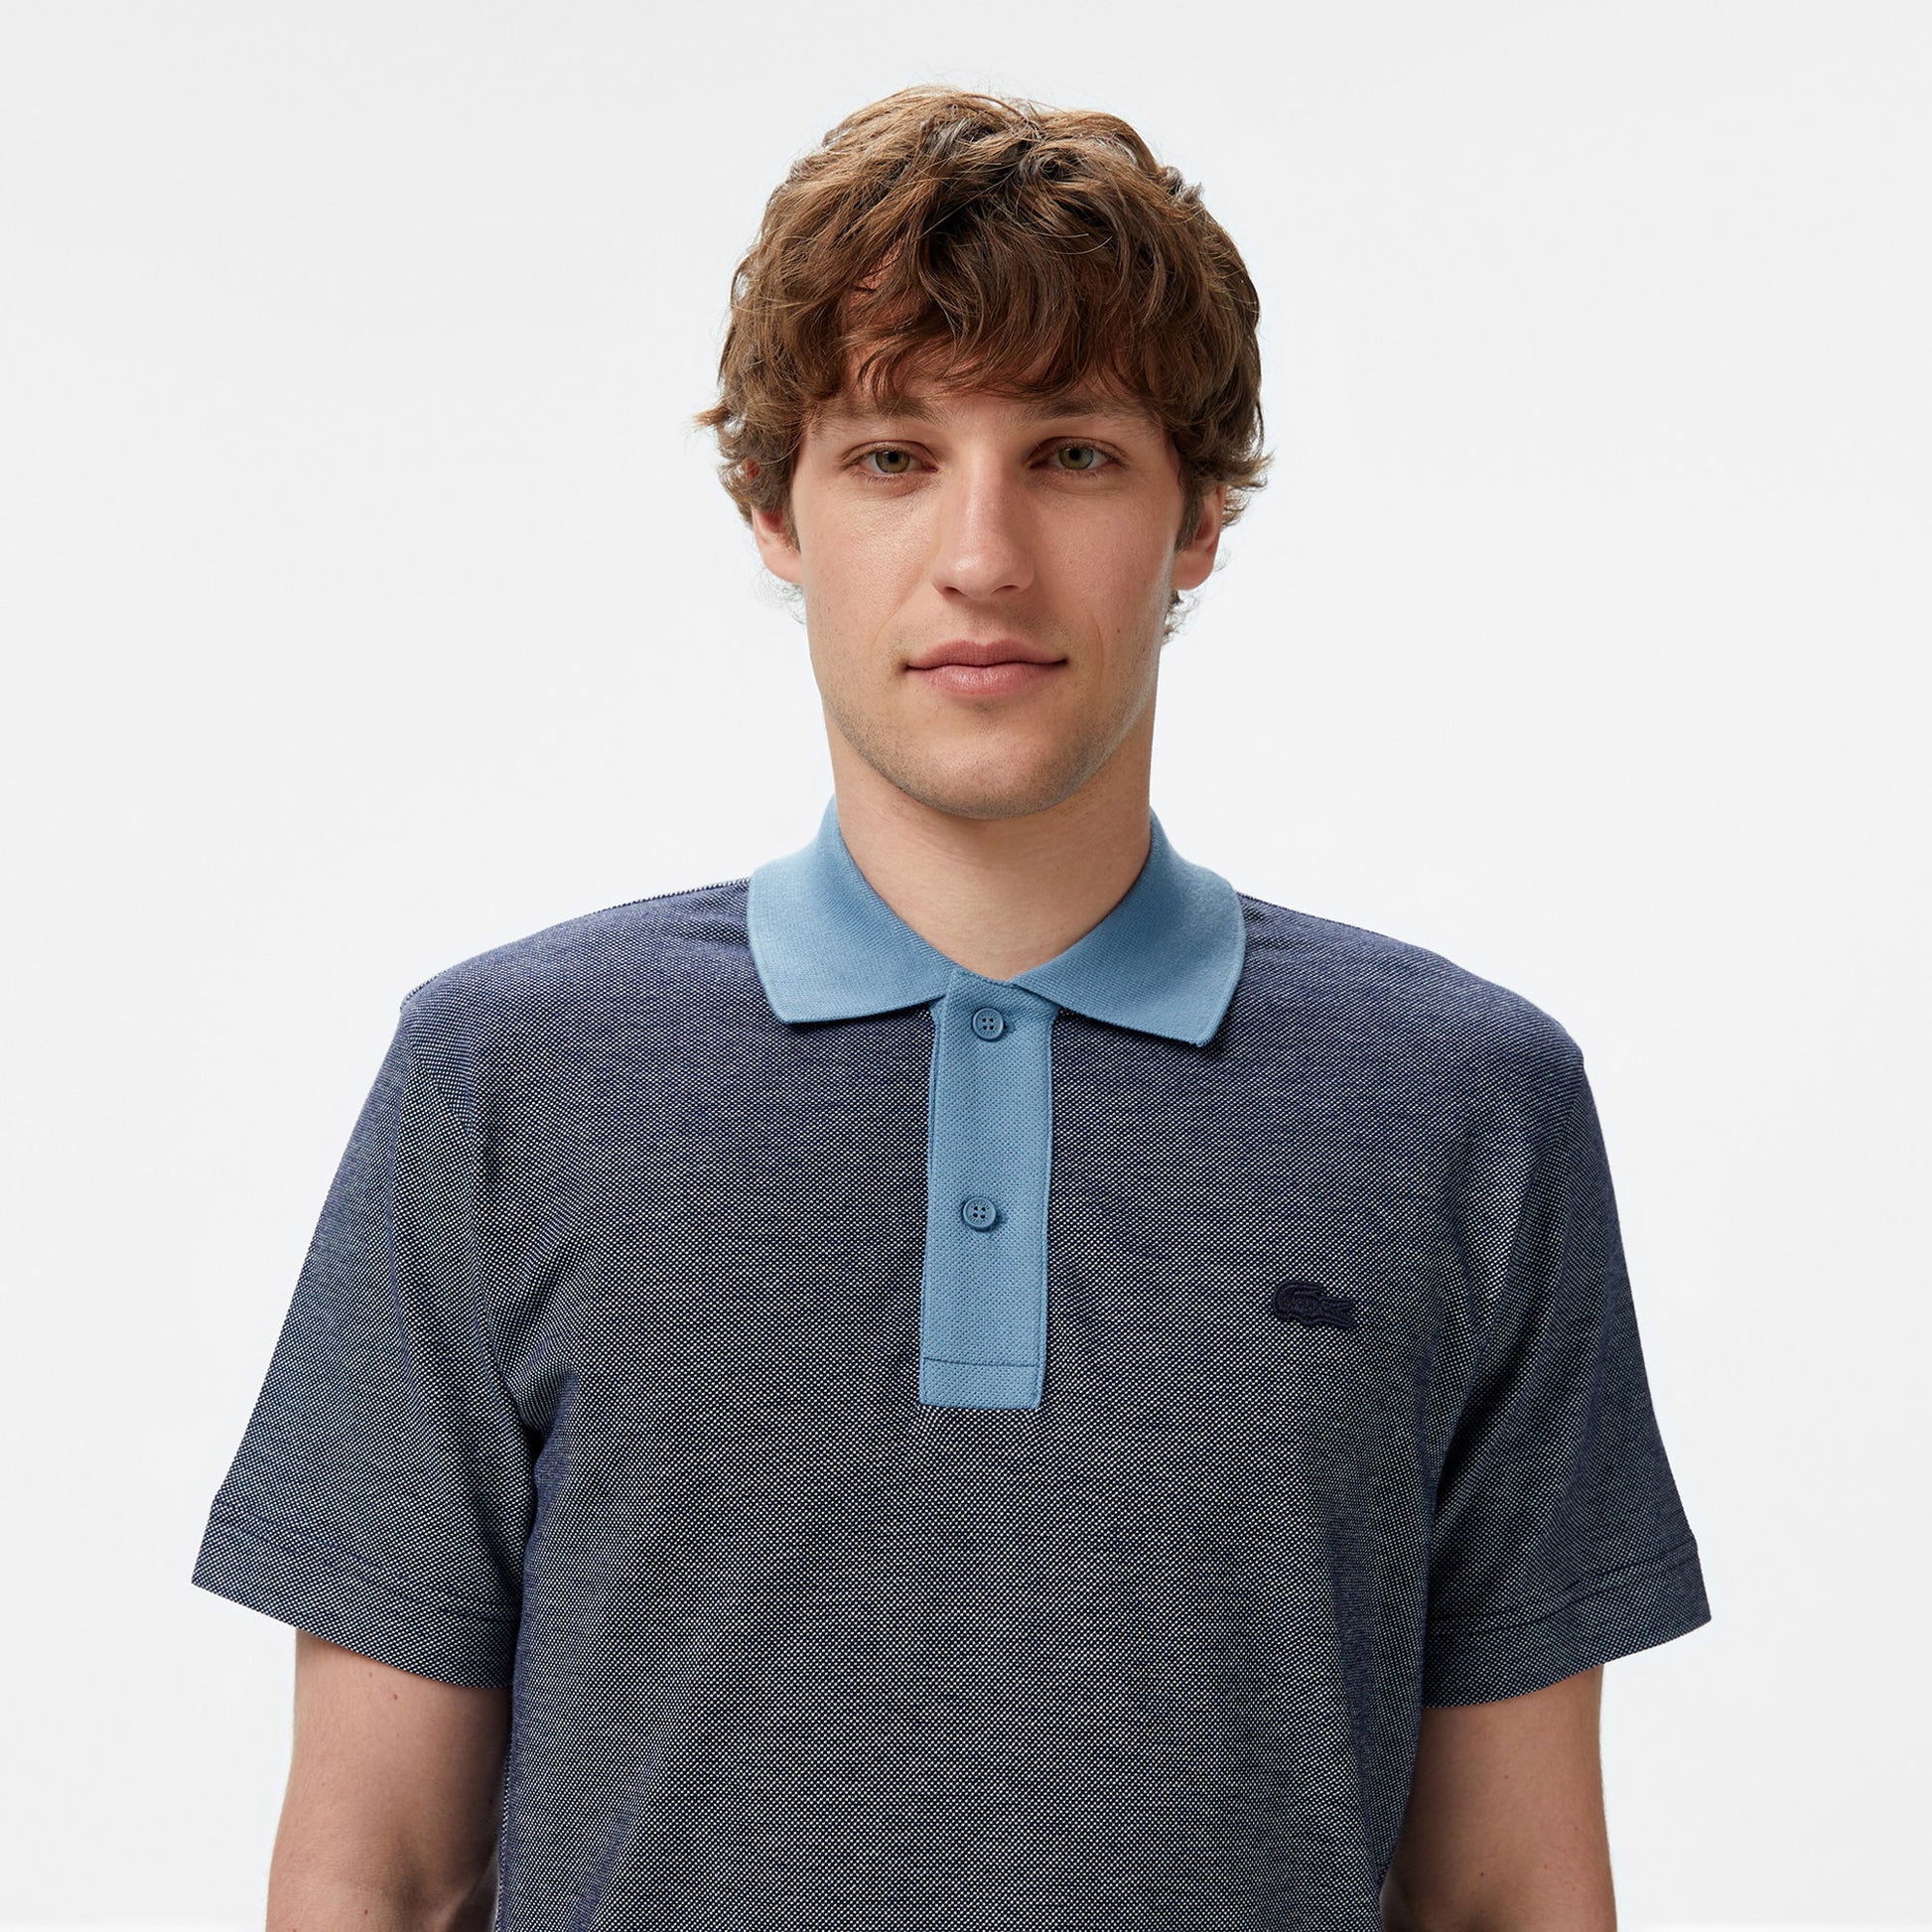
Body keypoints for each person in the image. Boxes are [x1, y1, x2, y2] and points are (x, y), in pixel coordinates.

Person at [191, 83, 1712, 1931]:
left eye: (1071, 453)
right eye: (894, 455)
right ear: (774, 509)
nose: (982, 555)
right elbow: (379, 1873)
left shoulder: (1466, 1108)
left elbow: (1507, 1894)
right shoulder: (503, 1078)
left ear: (1198, 515)